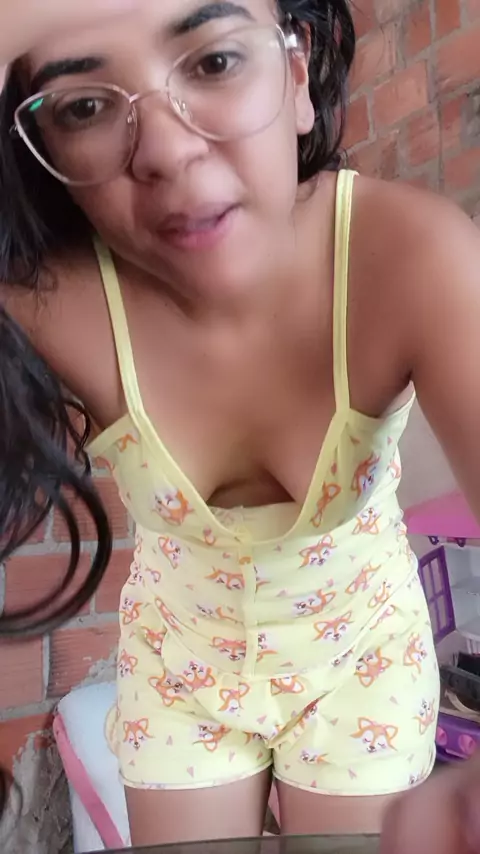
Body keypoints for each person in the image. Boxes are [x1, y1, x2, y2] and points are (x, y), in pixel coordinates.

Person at [0, 0, 480, 848]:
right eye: (85, 106)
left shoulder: (406, 254)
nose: (167, 148)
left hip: (361, 662)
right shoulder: (55, 305)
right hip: (180, 669)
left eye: (215, 62)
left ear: (295, 76)